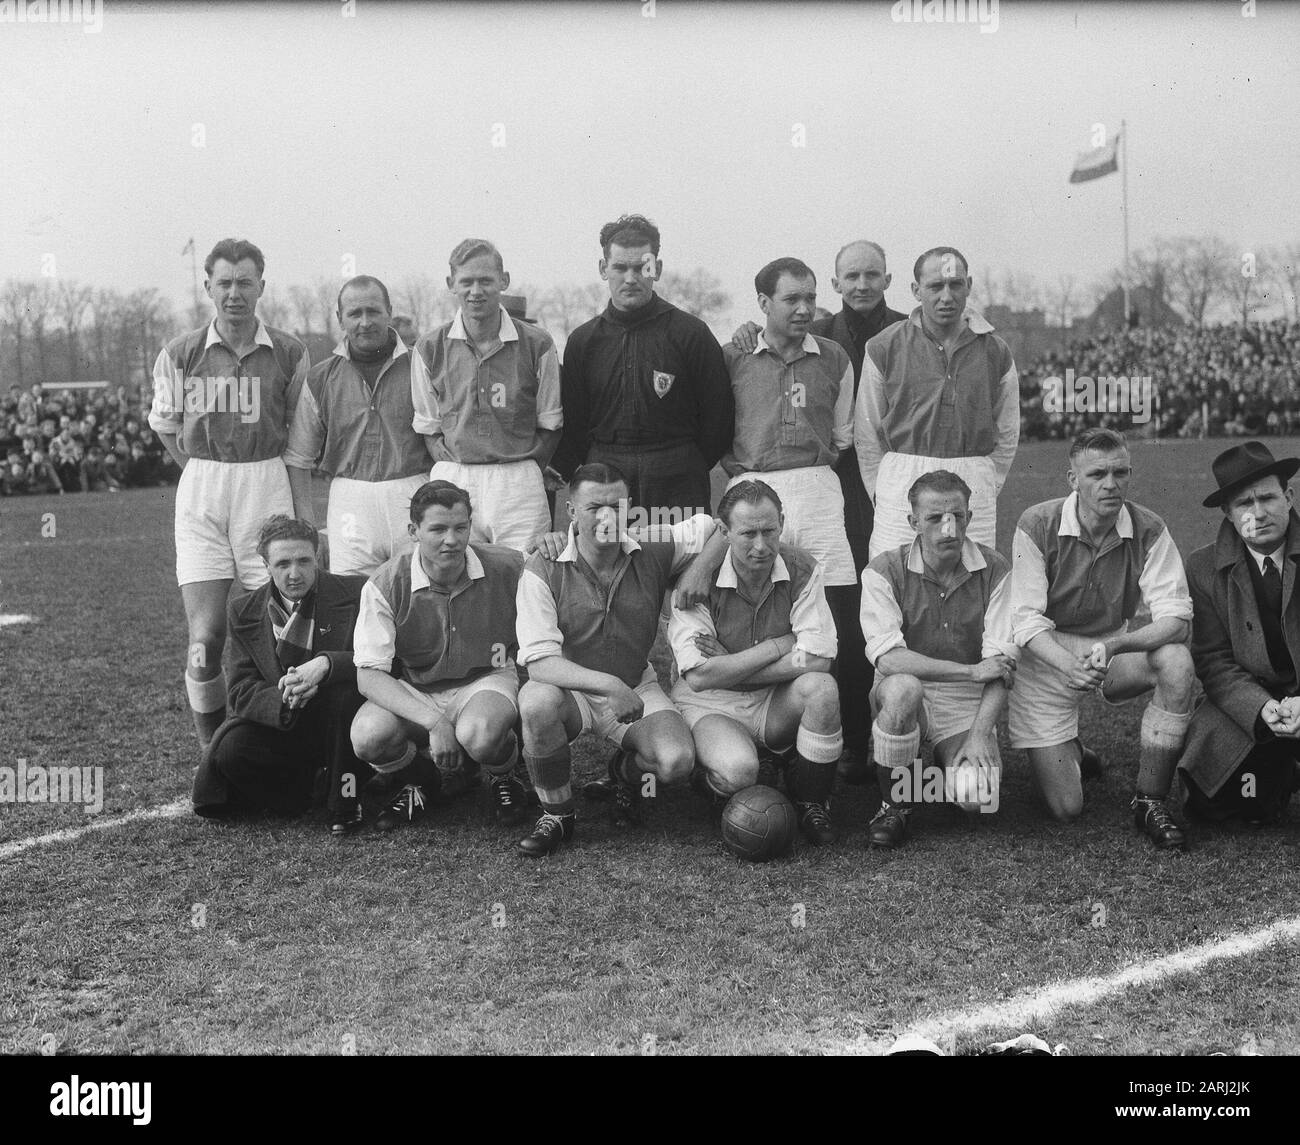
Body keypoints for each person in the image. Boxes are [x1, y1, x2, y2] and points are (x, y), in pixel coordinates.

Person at [149, 238, 309, 749]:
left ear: (261, 286)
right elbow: (166, 426)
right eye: (224, 283)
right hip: (202, 488)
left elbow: (299, 433)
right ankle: (212, 753)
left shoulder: (289, 351)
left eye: (245, 282)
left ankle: (288, 743)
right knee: (207, 636)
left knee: (281, 629)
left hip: (266, 485)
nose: (234, 293)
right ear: (208, 288)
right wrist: (201, 468)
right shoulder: (180, 352)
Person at [513, 462, 715, 856]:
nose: (607, 517)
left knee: (676, 763)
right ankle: (557, 813)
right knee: (536, 702)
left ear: (630, 507)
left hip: (634, 682)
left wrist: (700, 570)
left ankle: (624, 774)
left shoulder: (653, 546)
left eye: (617, 506)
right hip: (570, 690)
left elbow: (719, 524)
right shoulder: (542, 565)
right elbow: (538, 663)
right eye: (594, 508)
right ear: (571, 511)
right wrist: (609, 685)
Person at [1008, 429, 1196, 848]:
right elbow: (1023, 620)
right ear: (1072, 479)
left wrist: (1115, 646)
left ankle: (1150, 799)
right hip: (1046, 653)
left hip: (1111, 645)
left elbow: (1177, 619)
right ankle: (1072, 750)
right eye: (1096, 474)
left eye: (1120, 472)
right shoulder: (1037, 523)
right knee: (1065, 808)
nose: (1111, 484)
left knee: (1176, 660)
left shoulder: (1149, 528)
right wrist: (1065, 663)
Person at [668, 480, 842, 845]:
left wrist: (731, 664)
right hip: (710, 704)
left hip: (770, 700)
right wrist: (779, 644)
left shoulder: (802, 567)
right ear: (725, 531)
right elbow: (700, 677)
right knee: (740, 771)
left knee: (821, 689)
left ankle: (812, 801)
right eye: (748, 533)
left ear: (782, 521)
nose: (761, 546)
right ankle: (706, 776)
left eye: (769, 530)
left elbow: (817, 657)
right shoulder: (698, 581)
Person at [350, 480, 529, 830]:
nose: (452, 539)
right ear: (413, 531)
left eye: (461, 527)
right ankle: (422, 779)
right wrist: (434, 722)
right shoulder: (385, 582)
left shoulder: (509, 565)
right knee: (368, 737)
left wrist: (551, 543)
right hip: (417, 685)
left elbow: (559, 574)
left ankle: (504, 776)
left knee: (480, 734)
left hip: (486, 676)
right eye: (438, 529)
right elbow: (368, 675)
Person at [859, 470, 1016, 848]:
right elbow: (891, 662)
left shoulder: (997, 570)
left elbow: (1001, 667)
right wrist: (969, 670)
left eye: (957, 516)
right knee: (902, 691)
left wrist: (979, 736)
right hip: (910, 690)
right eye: (934, 518)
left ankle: (920, 770)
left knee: (979, 799)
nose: (949, 528)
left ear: (969, 518)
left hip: (966, 699)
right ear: (913, 522)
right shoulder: (883, 570)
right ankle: (895, 804)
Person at [192, 516, 369, 835]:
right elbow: (241, 689)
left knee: (344, 697)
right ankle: (300, 797)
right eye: (283, 563)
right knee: (233, 749)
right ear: (266, 564)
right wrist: (284, 696)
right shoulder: (244, 608)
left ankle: (344, 802)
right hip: (286, 719)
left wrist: (327, 665)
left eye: (303, 561)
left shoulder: (354, 592)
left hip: (342, 718)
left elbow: (381, 660)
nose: (294, 573)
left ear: (317, 557)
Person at [552, 214, 733, 518]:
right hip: (607, 472)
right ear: (603, 269)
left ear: (657, 269)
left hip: (677, 472)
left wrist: (685, 460)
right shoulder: (583, 341)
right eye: (620, 267)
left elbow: (718, 416)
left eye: (641, 267)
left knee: (681, 561)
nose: (631, 278)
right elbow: (576, 420)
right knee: (610, 561)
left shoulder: (691, 333)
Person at [855, 247, 1018, 558]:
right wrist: (883, 490)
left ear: (968, 285)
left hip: (972, 481)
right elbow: (867, 432)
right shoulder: (884, 346)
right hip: (903, 479)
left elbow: (1008, 430)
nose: (946, 296)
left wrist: (985, 482)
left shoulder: (996, 350)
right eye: (935, 286)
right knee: (894, 578)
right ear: (916, 290)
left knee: (973, 581)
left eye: (955, 285)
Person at [410, 240, 562, 550]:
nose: (475, 291)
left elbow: (550, 422)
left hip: (517, 479)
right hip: (456, 475)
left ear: (503, 281)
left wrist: (527, 467)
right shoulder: (429, 347)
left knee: (525, 575)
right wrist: (454, 464)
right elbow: (428, 426)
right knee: (456, 577)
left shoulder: (538, 343)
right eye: (466, 282)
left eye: (485, 281)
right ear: (451, 284)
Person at [1180, 442, 1300, 825]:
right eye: (1244, 504)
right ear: (1228, 514)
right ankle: (1282, 769)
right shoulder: (1202, 567)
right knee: (1214, 804)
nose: (1259, 512)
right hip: (1251, 699)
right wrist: (1262, 708)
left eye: (1267, 497)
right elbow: (1213, 660)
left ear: (1289, 495)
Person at [285, 275, 428, 575]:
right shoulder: (321, 377)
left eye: (373, 311)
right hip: (350, 501)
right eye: (355, 313)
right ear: (340, 318)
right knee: (351, 602)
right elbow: (299, 456)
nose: (365, 322)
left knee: (416, 600)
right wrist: (309, 525)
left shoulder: (422, 367)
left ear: (389, 310)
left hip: (413, 492)